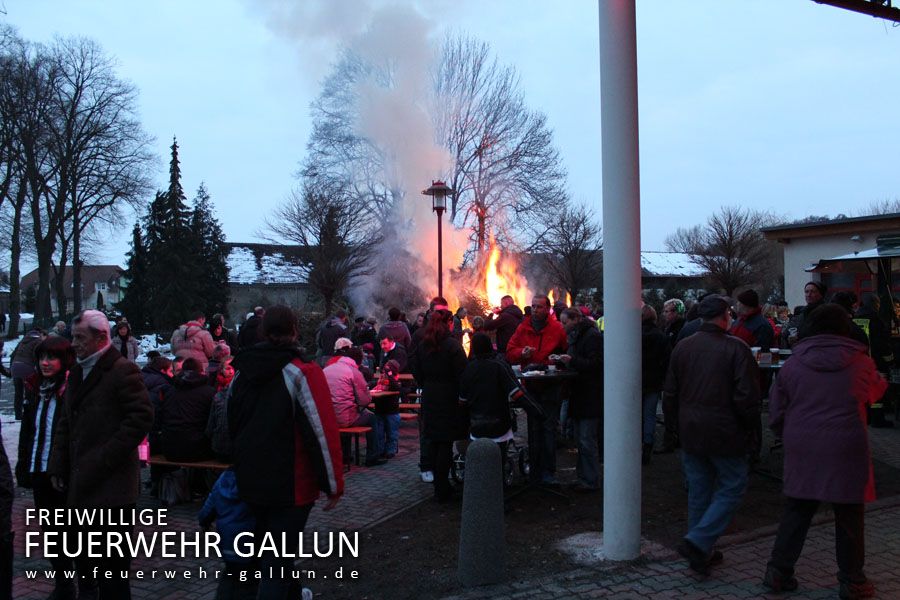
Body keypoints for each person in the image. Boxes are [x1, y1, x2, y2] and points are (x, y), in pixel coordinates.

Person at [764, 304, 887, 599]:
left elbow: (776, 409)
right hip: (846, 447)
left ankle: (778, 572)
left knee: (797, 510)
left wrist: (786, 433)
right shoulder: (860, 362)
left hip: (803, 445)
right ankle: (853, 581)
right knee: (849, 515)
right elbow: (875, 391)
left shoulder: (793, 364)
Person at [227, 305, 344, 598]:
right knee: (277, 561)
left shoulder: (241, 373)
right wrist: (332, 484)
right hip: (290, 484)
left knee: (271, 553)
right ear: (294, 330)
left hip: (251, 480)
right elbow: (321, 431)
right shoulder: (302, 373)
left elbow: (230, 423)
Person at [47, 309, 153, 599]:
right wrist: (58, 464)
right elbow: (66, 422)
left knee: (113, 571)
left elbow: (141, 418)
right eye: (73, 337)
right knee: (86, 561)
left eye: (80, 338)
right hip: (81, 484)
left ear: (101, 337)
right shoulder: (77, 371)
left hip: (113, 488)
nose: (74, 344)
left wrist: (104, 458)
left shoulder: (122, 370)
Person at [663, 295, 760, 575]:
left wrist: (674, 426)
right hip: (725, 431)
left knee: (699, 490)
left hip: (691, 430)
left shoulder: (683, 347)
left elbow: (670, 393)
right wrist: (751, 429)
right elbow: (747, 397)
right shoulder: (736, 348)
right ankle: (699, 541)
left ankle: (700, 551)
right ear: (724, 316)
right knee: (732, 486)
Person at [15, 336, 78, 600]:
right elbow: (28, 432)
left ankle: (87, 583)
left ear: (64, 360)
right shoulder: (35, 388)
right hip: (39, 469)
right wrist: (23, 465)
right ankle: (63, 584)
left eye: (51, 357)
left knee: (72, 533)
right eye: (41, 357)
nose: (45, 363)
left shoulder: (72, 389)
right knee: (51, 532)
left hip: (63, 474)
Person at [506, 295, 568, 485]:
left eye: (539, 306)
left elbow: (566, 352)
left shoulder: (557, 329)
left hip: (550, 385)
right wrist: (521, 353)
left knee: (548, 428)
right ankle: (534, 470)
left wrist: (556, 360)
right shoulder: (523, 327)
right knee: (533, 428)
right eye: (533, 306)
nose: (535, 309)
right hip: (531, 386)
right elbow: (510, 351)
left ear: (547, 308)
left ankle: (548, 471)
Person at [410, 307, 468, 502]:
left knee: (434, 441)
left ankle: (439, 485)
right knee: (445, 442)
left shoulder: (423, 345)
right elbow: (462, 373)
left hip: (430, 396)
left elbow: (416, 369)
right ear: (449, 323)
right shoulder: (452, 346)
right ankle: (442, 487)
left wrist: (425, 383)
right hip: (448, 397)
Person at [459, 333, 527, 475]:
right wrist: (536, 411)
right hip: (499, 423)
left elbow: (462, 400)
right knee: (498, 457)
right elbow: (516, 392)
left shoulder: (469, 369)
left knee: (480, 458)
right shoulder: (499, 366)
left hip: (477, 424)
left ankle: (480, 477)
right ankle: (498, 479)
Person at [556, 308, 604, 492]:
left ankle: (591, 480)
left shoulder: (591, 336)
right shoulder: (578, 336)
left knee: (586, 439)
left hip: (589, 395)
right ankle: (584, 477)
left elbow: (596, 364)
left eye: (565, 322)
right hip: (579, 395)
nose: (563, 326)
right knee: (580, 439)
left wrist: (571, 361)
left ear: (576, 319)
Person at [198, 468, 258, 600]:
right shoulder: (256, 481)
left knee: (231, 575)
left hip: (226, 542)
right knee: (248, 583)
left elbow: (207, 510)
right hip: (249, 541)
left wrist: (204, 522)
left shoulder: (222, 480)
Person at [324, 346, 385, 467]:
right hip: (345, 417)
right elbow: (365, 399)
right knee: (372, 418)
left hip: (327, 417)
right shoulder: (353, 372)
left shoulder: (327, 369)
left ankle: (345, 455)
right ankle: (372, 456)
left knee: (344, 412)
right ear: (360, 361)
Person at [161, 357, 216, 462]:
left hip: (170, 448)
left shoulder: (169, 391)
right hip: (199, 449)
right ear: (202, 372)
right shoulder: (209, 392)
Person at [641, 305, 670, 465]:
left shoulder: (634, 334)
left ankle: (635, 443)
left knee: (635, 414)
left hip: (636, 380)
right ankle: (648, 445)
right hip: (653, 381)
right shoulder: (661, 336)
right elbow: (666, 359)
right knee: (650, 415)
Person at [206, 357, 237, 461]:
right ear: (222, 370)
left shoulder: (238, 387)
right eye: (228, 368)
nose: (231, 371)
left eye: (233, 368)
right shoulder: (216, 389)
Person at [10, 328, 44, 420]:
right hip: (27, 367)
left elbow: (13, 355)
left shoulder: (23, 341)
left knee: (18, 393)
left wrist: (11, 369)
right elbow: (36, 355)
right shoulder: (38, 341)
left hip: (15, 367)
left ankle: (18, 415)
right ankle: (29, 414)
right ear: (39, 333)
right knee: (30, 392)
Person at [781, 281, 826, 348]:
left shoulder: (826, 313)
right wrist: (789, 338)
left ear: (821, 294)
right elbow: (786, 333)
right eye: (806, 292)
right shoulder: (801, 313)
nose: (809, 295)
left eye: (813, 292)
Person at [372, 358, 402, 459]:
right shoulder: (381, 379)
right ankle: (380, 450)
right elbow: (373, 385)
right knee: (379, 433)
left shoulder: (396, 380)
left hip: (391, 411)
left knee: (392, 433)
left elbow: (396, 387)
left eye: (388, 368)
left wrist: (389, 374)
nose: (384, 371)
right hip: (380, 409)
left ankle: (390, 451)